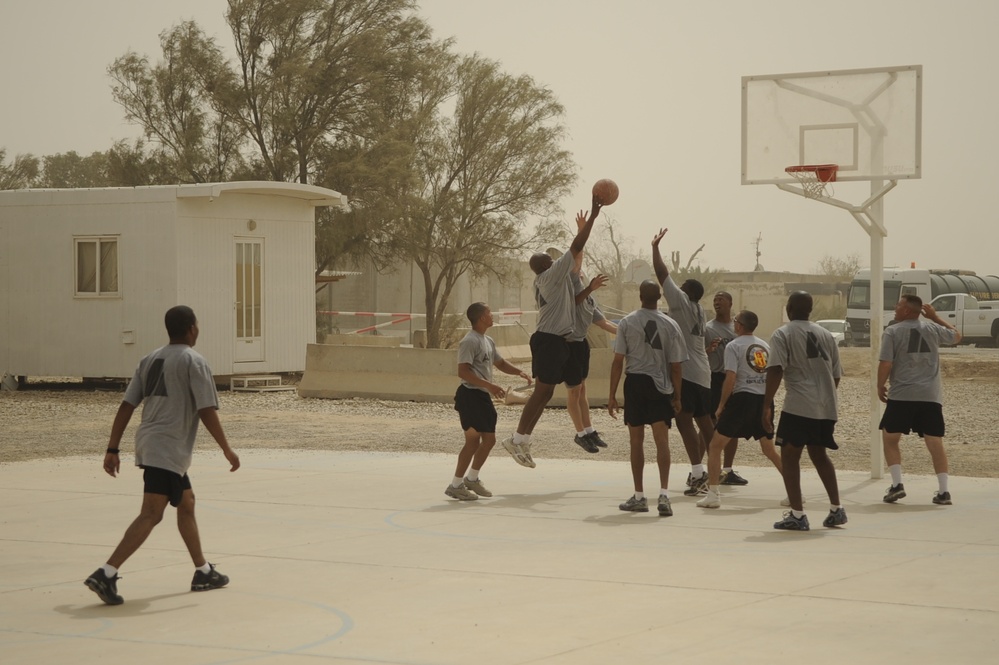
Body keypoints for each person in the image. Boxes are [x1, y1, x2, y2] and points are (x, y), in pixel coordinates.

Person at [84, 306, 240, 605]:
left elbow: (127, 405)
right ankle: (106, 572)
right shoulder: (194, 361)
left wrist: (113, 447)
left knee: (187, 502)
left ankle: (203, 570)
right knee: (151, 513)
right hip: (167, 449)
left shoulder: (150, 359)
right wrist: (226, 448)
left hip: (154, 444)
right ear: (192, 328)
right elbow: (206, 409)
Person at [502, 198, 602, 468]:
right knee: (541, 392)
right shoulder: (548, 277)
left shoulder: (560, 284)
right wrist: (593, 214)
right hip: (547, 340)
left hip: (558, 341)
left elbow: (577, 260)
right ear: (547, 266)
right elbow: (576, 248)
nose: (556, 260)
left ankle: (521, 439)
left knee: (547, 394)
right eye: (551, 259)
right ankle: (517, 437)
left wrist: (589, 287)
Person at [763, 292, 846, 531]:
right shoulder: (826, 335)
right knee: (819, 455)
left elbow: (776, 369)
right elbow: (836, 374)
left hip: (799, 404)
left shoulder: (783, 333)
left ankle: (798, 515)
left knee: (789, 456)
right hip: (825, 405)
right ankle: (836, 509)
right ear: (810, 310)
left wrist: (766, 404)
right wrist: (825, 398)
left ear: (788, 308)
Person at [608, 280, 687, 516]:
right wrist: (677, 395)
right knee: (662, 440)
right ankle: (663, 495)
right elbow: (676, 366)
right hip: (660, 386)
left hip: (635, 383)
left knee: (636, 440)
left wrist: (612, 395)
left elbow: (618, 361)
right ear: (660, 296)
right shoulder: (671, 324)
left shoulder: (627, 322)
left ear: (640, 295)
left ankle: (640, 496)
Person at [877, 295, 961, 505]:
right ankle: (944, 491)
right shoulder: (932, 329)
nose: (895, 309)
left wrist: (879, 385)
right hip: (929, 396)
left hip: (902, 395)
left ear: (906, 310)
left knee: (890, 438)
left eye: (898, 305)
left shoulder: (893, 331)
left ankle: (897, 485)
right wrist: (935, 317)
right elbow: (956, 336)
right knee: (934, 442)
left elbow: (886, 362)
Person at [696, 310, 784, 509]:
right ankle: (795, 491)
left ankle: (713, 493)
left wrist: (720, 405)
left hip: (743, 398)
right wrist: (768, 404)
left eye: (736, 321)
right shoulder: (765, 345)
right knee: (769, 450)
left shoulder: (733, 346)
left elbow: (731, 377)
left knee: (715, 445)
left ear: (739, 326)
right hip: (763, 401)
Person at [446, 302, 533, 501]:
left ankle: (469, 480)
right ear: (481, 317)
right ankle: (457, 484)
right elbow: (463, 371)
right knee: (474, 441)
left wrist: (519, 372)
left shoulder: (488, 340)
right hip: (470, 396)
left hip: (481, 396)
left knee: (486, 440)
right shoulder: (469, 341)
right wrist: (490, 386)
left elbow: (500, 363)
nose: (492, 315)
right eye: (489, 313)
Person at [650, 228, 714, 496]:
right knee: (705, 422)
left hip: (687, 371)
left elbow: (663, 275)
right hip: (703, 372)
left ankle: (699, 472)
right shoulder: (699, 309)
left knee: (684, 420)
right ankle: (717, 466)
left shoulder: (683, 302)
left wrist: (655, 248)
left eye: (682, 286)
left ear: (686, 292)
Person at [565, 222, 619, 453]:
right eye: (579, 272)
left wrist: (630, 333)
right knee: (573, 391)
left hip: (580, 345)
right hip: (566, 345)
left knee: (582, 390)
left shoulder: (588, 299)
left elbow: (603, 323)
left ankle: (589, 430)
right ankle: (579, 433)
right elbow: (577, 259)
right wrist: (581, 232)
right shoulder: (571, 291)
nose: (581, 272)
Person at [704, 290, 747, 485]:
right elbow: (698, 354)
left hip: (735, 380)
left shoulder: (737, 328)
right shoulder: (708, 329)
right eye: (715, 300)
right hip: (715, 378)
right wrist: (709, 350)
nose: (717, 303)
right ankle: (708, 469)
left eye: (721, 300)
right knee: (711, 424)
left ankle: (728, 470)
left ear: (730, 303)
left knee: (733, 426)